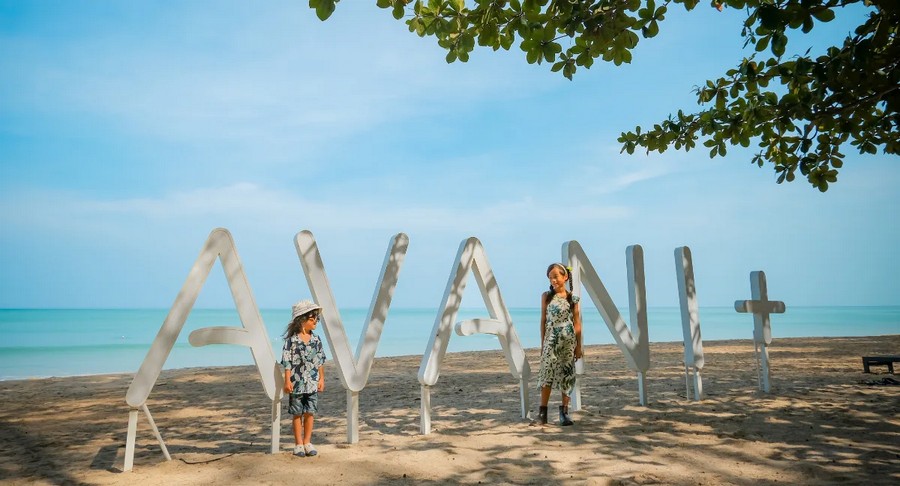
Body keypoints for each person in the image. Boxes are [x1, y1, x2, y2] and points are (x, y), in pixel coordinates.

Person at [536, 263, 582, 426]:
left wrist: (578, 346)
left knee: (567, 374)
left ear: (565, 277)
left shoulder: (572, 299)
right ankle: (542, 414)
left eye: (556, 276)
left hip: (568, 341)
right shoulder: (546, 297)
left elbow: (577, 324)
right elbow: (543, 320)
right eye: (550, 278)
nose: (553, 280)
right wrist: (543, 344)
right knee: (546, 373)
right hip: (551, 339)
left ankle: (564, 413)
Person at [282, 300, 327, 456]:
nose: (315, 321)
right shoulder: (291, 341)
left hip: (312, 382)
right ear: (302, 320)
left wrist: (321, 379)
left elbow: (320, 361)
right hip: (296, 383)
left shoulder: (317, 340)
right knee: (297, 413)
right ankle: (298, 444)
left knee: (310, 412)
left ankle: (307, 442)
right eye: (312, 318)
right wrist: (287, 380)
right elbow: (287, 362)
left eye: (316, 318)